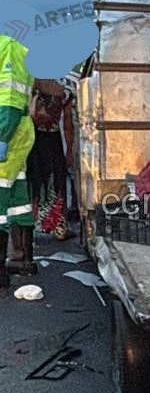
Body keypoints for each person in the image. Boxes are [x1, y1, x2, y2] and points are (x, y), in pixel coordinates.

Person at [0, 35, 35, 291]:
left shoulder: (7, 47)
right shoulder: (12, 46)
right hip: (15, 133)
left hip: (8, 133)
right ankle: (23, 260)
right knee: (15, 202)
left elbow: (10, 99)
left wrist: (2, 137)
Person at [26, 77, 75, 241]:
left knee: (36, 182)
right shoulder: (65, 91)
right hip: (54, 141)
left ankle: (32, 225)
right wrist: (69, 150)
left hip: (35, 140)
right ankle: (59, 225)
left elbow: (31, 114)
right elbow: (67, 123)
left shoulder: (33, 84)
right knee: (58, 181)